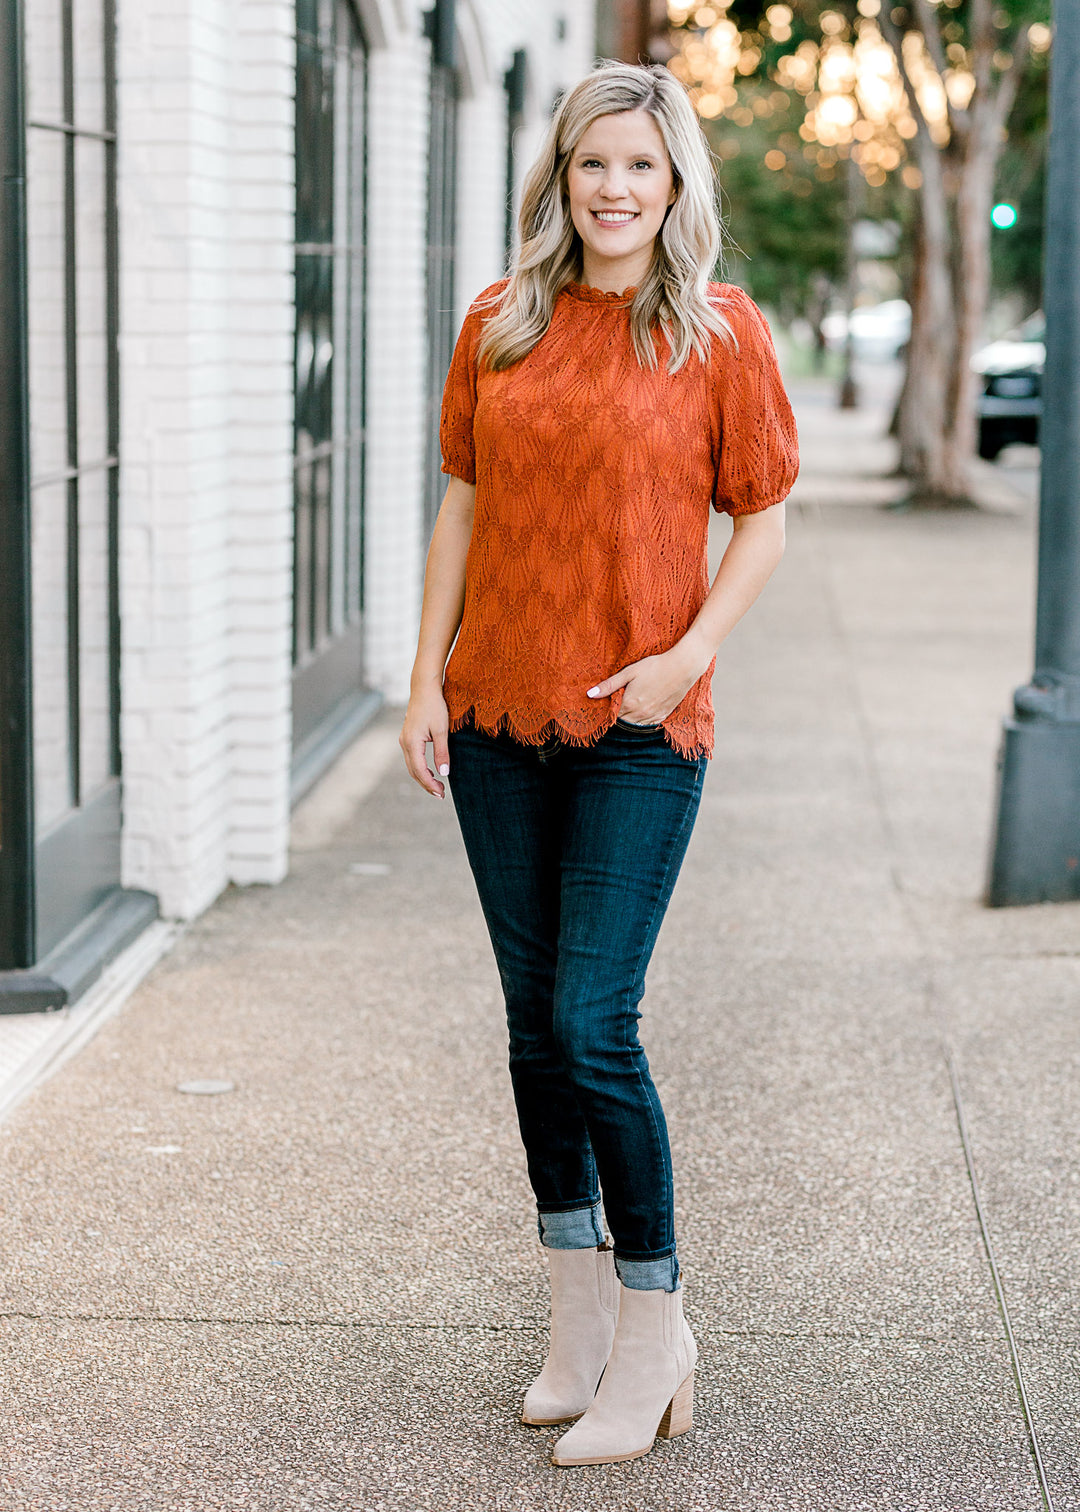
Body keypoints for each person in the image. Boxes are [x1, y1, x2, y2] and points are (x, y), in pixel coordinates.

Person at [400, 60, 798, 1467]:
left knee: (592, 1027)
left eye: (640, 165)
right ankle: (575, 1321)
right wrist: (423, 680)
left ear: (676, 180)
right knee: (528, 1031)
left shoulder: (718, 335)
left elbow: (761, 521)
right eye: (592, 166)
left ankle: (654, 1324)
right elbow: (460, 510)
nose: (616, 189)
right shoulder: (499, 327)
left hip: (642, 729)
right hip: (498, 714)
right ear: (560, 180)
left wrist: (689, 656)